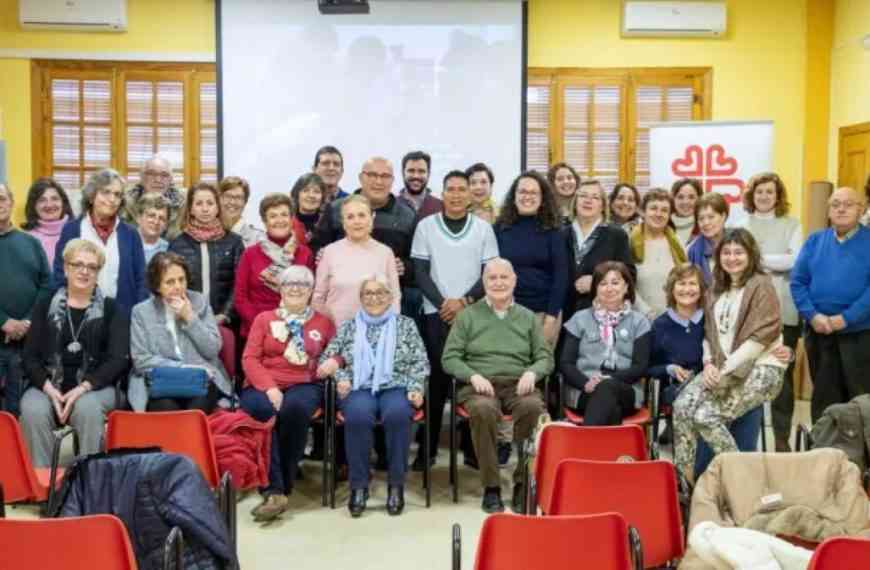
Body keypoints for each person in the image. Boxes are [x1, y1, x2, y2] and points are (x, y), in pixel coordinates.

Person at [674, 228, 786, 482]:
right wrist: (709, 363)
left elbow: (758, 340)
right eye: (726, 252)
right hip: (721, 368)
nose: (732, 258)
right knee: (682, 406)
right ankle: (685, 483)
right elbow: (709, 335)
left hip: (760, 369)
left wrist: (721, 372)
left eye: (739, 252)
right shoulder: (715, 289)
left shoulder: (761, 285)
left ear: (750, 254)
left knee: (705, 416)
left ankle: (743, 481)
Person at [442, 258, 553, 514]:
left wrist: (532, 372)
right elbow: (450, 357)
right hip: (480, 387)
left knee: (533, 407)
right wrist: (472, 376)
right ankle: (491, 487)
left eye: (504, 277)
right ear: (484, 283)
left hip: (518, 385)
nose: (499, 283)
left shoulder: (526, 317)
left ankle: (522, 482)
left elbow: (545, 357)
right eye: (492, 278)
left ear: (514, 281)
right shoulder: (467, 316)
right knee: (483, 410)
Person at [410, 170, 499, 470]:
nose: (458, 194)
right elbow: (420, 271)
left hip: (474, 315)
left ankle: (473, 450)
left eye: (463, 189)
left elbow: (490, 273)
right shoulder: (426, 226)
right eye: (452, 189)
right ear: (443, 193)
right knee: (435, 383)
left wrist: (464, 302)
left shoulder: (483, 229)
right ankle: (428, 450)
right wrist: (444, 303)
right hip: (436, 315)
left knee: (472, 382)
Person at [320, 276, 429, 517]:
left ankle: (396, 485)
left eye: (381, 293)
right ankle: (358, 487)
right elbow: (328, 358)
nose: (374, 298)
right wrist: (342, 377)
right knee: (357, 416)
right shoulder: (349, 326)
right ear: (360, 299)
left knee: (398, 415)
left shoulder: (406, 325)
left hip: (396, 386)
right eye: (368, 293)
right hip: (359, 387)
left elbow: (420, 361)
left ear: (391, 297)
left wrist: (415, 387)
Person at [647, 263, 768, 472]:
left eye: (692, 283)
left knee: (752, 403)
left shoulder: (713, 318)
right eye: (681, 283)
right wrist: (670, 368)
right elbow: (649, 368)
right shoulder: (660, 325)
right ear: (671, 289)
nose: (687, 289)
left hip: (720, 380)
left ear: (703, 289)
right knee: (701, 409)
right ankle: (699, 473)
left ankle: (743, 469)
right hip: (679, 387)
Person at [240, 265, 336, 521]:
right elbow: (250, 358)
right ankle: (276, 490)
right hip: (264, 382)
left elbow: (338, 350)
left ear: (311, 291)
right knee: (263, 409)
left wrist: (336, 361)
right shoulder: (264, 319)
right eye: (289, 283)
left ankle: (278, 486)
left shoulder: (323, 322)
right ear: (280, 289)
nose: (295, 288)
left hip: (304, 382)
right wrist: (269, 387)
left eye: (302, 284)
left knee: (294, 409)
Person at [20, 239, 127, 466]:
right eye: (78, 264)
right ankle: (44, 487)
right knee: (32, 409)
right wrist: (49, 389)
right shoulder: (45, 304)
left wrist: (82, 389)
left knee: (87, 408)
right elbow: (29, 357)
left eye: (92, 266)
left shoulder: (111, 308)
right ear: (66, 268)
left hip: (95, 387)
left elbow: (118, 360)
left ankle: (88, 484)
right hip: (48, 384)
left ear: (98, 272)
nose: (84, 271)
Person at [791, 186, 870, 422]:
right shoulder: (815, 240)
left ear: (862, 208)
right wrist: (813, 315)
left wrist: (844, 318)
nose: (841, 209)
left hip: (859, 334)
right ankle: (823, 453)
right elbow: (798, 282)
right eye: (835, 204)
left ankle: (860, 457)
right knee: (824, 399)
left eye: (848, 204)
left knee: (860, 398)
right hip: (819, 332)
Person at [740, 173, 803, 451]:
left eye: (769, 192)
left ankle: (781, 439)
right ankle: (747, 438)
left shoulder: (792, 224)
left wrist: (758, 260)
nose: (764, 196)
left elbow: (796, 260)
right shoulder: (741, 225)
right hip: (749, 311)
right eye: (759, 192)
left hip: (783, 309)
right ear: (751, 196)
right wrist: (776, 262)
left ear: (778, 196)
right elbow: (737, 261)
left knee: (782, 379)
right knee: (746, 374)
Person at [128, 252, 233, 412]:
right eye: (170, 282)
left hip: (201, 380)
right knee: (166, 408)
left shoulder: (199, 301)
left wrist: (190, 318)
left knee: (195, 412)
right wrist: (183, 367)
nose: (178, 286)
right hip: (161, 380)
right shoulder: (141, 312)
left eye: (181, 279)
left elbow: (212, 350)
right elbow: (141, 360)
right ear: (157, 286)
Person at [311, 157, 416, 316]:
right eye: (372, 175)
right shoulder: (336, 208)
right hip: (338, 313)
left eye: (385, 176)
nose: (378, 181)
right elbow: (316, 246)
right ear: (361, 178)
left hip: (381, 313)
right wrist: (319, 254)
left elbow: (416, 263)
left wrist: (405, 267)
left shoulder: (407, 215)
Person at [560, 261, 651, 426]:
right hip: (584, 390)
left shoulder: (639, 322)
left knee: (607, 388)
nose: (609, 288)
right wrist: (585, 383)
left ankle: (584, 447)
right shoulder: (579, 319)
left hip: (625, 390)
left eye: (615, 283)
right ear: (595, 289)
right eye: (603, 283)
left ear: (626, 288)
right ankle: (605, 451)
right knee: (611, 409)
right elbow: (566, 363)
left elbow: (640, 366)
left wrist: (607, 379)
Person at [53, 169, 147, 315]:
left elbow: (142, 279)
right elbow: (60, 272)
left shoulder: (130, 234)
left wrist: (138, 313)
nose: (112, 199)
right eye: (106, 192)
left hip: (122, 316)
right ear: (91, 196)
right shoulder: (72, 230)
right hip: (81, 315)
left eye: (117, 194)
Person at [494, 171, 567, 346]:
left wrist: (551, 318)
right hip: (506, 313)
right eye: (522, 192)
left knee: (538, 371)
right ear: (514, 196)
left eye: (533, 193)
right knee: (507, 369)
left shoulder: (553, 231)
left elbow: (561, 277)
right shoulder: (499, 228)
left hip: (543, 314)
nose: (528, 196)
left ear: (542, 199)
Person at [0, 183, 51, 417]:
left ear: (10, 202)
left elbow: (46, 284)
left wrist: (28, 321)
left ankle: (17, 454)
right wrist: (4, 321)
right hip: (2, 337)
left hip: (27, 342)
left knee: (19, 409)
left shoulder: (30, 243)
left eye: (2, 198)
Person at [312, 195, 400, 326]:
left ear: (372, 218)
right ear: (343, 222)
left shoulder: (385, 253)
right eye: (350, 217)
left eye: (362, 215)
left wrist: (389, 330)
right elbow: (318, 299)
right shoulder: (329, 252)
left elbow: (395, 298)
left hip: (377, 333)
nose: (356, 221)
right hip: (336, 334)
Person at [235, 193, 313, 340]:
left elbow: (310, 294)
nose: (279, 220)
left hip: (295, 330)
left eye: (284, 215)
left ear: (291, 219)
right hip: (257, 331)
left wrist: (291, 324)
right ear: (264, 222)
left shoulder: (304, 254)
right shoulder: (250, 254)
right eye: (273, 216)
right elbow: (240, 298)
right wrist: (264, 325)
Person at [168, 182, 244, 325]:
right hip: (188, 320)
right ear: (190, 209)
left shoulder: (234, 242)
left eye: (210, 203)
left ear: (217, 208)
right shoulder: (177, 244)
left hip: (225, 322)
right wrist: (187, 313)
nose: (205, 209)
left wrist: (225, 315)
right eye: (199, 203)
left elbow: (239, 284)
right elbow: (172, 285)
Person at [565, 179, 635, 315]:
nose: (588, 200)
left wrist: (597, 281)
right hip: (563, 315)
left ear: (603, 206)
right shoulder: (560, 234)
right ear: (575, 202)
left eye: (595, 197)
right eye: (583, 196)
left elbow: (629, 275)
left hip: (603, 316)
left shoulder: (617, 235)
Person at [630, 188, 687, 320]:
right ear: (643, 212)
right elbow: (625, 283)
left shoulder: (677, 243)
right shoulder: (629, 241)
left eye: (664, 210)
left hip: (673, 319)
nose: (659, 214)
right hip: (639, 320)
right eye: (653, 208)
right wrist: (647, 313)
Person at [122, 154, 186, 239]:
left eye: (164, 175)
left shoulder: (184, 203)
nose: (158, 180)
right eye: (151, 174)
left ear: (171, 179)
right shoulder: (125, 200)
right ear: (141, 176)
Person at [21, 177, 74, 267]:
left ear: (63, 202)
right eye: (42, 200)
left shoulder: (77, 232)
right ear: (33, 205)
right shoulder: (25, 240)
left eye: (54, 199)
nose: (49, 205)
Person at [687, 192, 729, 286]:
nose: (706, 223)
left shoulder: (739, 243)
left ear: (723, 216)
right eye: (701, 218)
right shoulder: (691, 250)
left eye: (711, 217)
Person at [219, 176, 265, 248]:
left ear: (245, 202)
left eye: (238, 197)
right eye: (228, 196)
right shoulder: (208, 235)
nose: (232, 202)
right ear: (219, 199)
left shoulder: (258, 239)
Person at [398, 150, 442, 220]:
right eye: (411, 171)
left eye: (421, 171)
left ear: (428, 174)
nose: (416, 176)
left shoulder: (441, 207)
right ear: (403, 173)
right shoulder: (392, 206)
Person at [290, 173, 327, 243]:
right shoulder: (287, 223)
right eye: (306, 191)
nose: (311, 195)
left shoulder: (328, 225)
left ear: (323, 197)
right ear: (297, 194)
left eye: (316, 192)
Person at [135, 194, 170, 264]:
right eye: (151, 216)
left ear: (166, 224)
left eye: (162, 218)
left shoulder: (169, 250)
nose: (156, 222)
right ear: (138, 218)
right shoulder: (124, 245)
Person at [671, 178, 702, 245]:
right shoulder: (663, 226)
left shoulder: (705, 227)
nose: (686, 202)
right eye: (680, 197)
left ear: (699, 199)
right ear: (673, 199)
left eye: (691, 197)